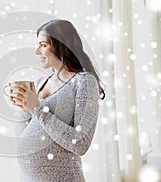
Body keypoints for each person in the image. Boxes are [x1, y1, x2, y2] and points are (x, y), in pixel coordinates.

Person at [9, 19, 105, 181]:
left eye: (43, 45)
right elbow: (23, 136)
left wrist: (37, 109)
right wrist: (24, 106)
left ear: (62, 45)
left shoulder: (84, 82)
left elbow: (80, 144)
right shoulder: (40, 83)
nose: (37, 52)